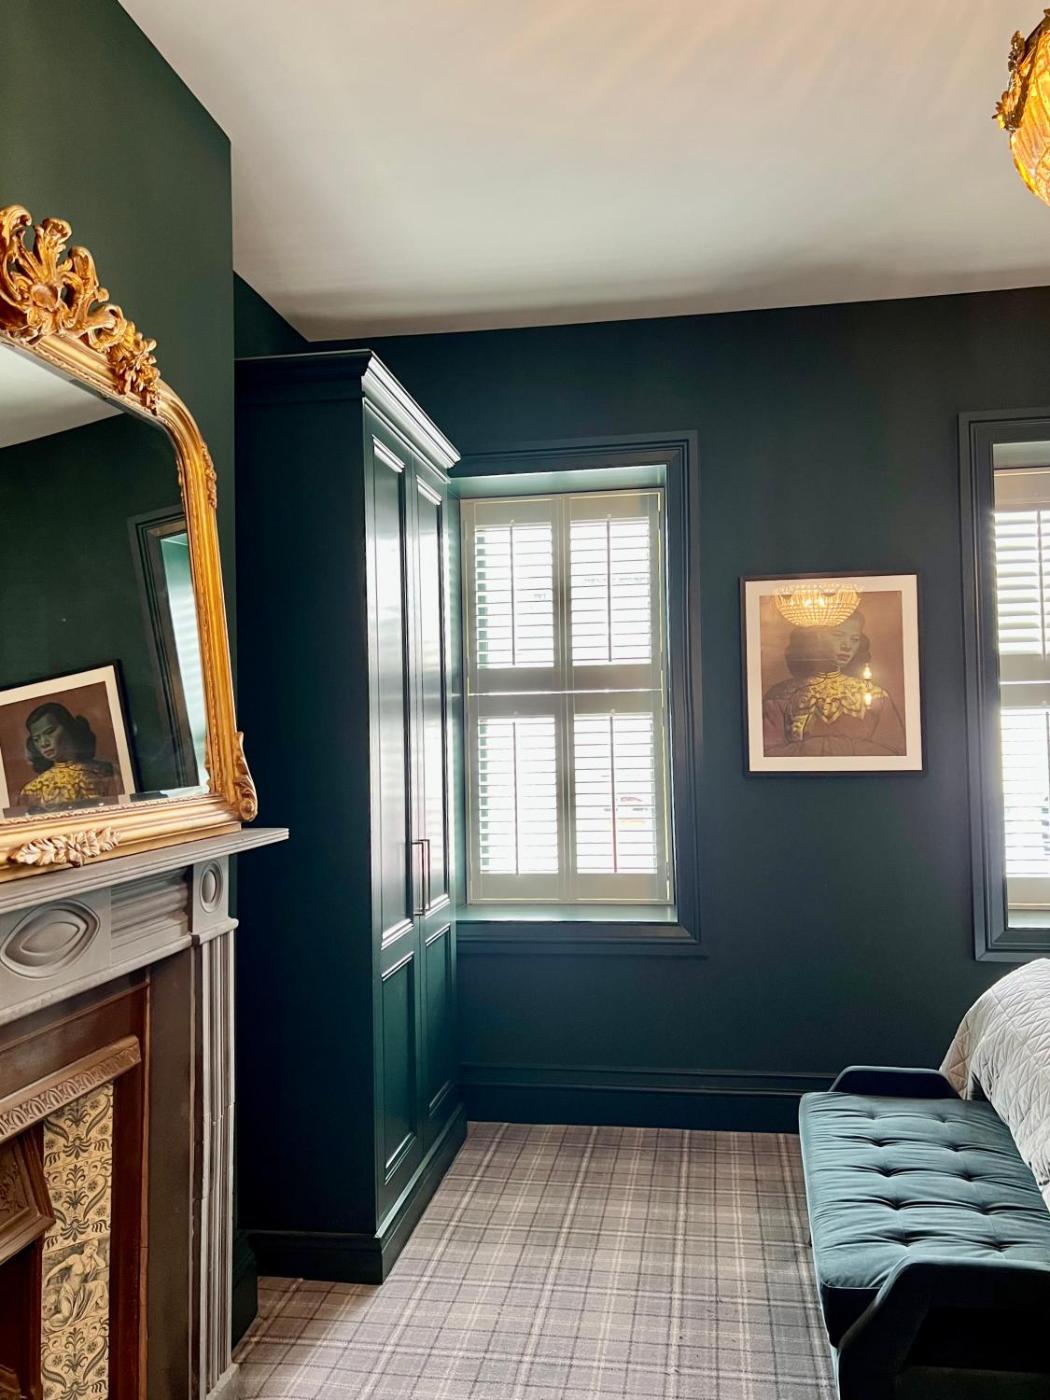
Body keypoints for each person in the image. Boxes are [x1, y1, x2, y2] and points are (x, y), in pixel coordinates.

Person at [761, 612, 906, 757]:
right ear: (814, 638)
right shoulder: (781, 695)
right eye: (838, 635)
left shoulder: (876, 695)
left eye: (855, 639)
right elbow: (768, 755)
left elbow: (894, 752)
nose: (847, 646)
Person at [16, 702, 119, 808]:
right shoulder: (32, 790)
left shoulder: (107, 773)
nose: (44, 743)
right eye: (37, 739)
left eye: (50, 732)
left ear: (68, 728)